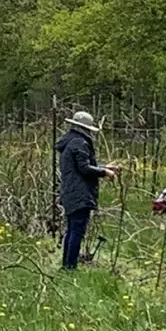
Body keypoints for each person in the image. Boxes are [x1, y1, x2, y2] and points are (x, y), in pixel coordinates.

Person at [55, 111, 118, 270]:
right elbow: (84, 169)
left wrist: (104, 167)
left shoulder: (69, 142)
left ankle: (67, 265)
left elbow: (81, 165)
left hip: (70, 191)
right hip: (80, 194)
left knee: (72, 230)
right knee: (77, 231)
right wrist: (104, 173)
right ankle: (70, 267)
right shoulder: (80, 142)